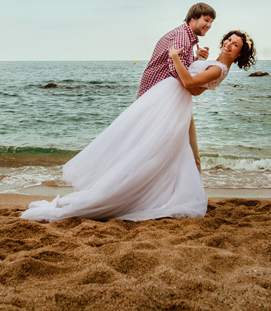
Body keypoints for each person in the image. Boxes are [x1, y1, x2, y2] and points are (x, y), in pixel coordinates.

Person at [20, 30, 256, 222]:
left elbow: (188, 82)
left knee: (158, 150)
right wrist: (197, 60)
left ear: (238, 54)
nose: (228, 44)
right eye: (228, 39)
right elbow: (194, 89)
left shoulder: (219, 68)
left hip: (172, 102)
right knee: (171, 153)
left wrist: (175, 56)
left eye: (234, 45)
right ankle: (171, 194)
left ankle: (159, 194)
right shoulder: (214, 64)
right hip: (174, 103)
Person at [138, 3, 216, 173]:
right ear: (193, 18)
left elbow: (177, 67)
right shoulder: (182, 36)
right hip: (162, 101)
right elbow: (178, 73)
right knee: (183, 149)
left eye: (211, 22)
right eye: (206, 20)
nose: (209, 25)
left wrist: (195, 58)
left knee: (172, 150)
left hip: (161, 99)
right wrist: (199, 83)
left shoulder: (184, 36)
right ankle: (192, 191)